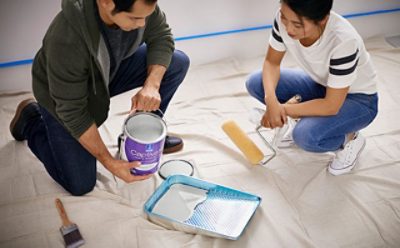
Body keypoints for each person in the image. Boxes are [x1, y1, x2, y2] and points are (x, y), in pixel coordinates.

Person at [9, 0, 190, 195]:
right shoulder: (66, 39)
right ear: (106, 3)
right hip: (63, 96)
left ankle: (137, 140)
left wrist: (152, 86)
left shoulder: (139, 5)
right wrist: (110, 162)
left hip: (106, 71)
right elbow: (73, 112)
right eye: (135, 18)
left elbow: (161, 36)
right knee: (80, 184)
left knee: (176, 63)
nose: (142, 24)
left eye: (145, 16)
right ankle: (31, 120)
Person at [245, 0, 378, 175]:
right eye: (285, 18)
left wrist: (281, 110)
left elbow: (331, 105)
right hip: (322, 84)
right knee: (256, 82)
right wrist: (271, 101)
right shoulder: (283, 18)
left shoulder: (343, 41)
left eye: (297, 25)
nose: (289, 29)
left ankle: (350, 139)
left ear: (323, 19)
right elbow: (271, 62)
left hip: (359, 100)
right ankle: (308, 119)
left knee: (306, 136)